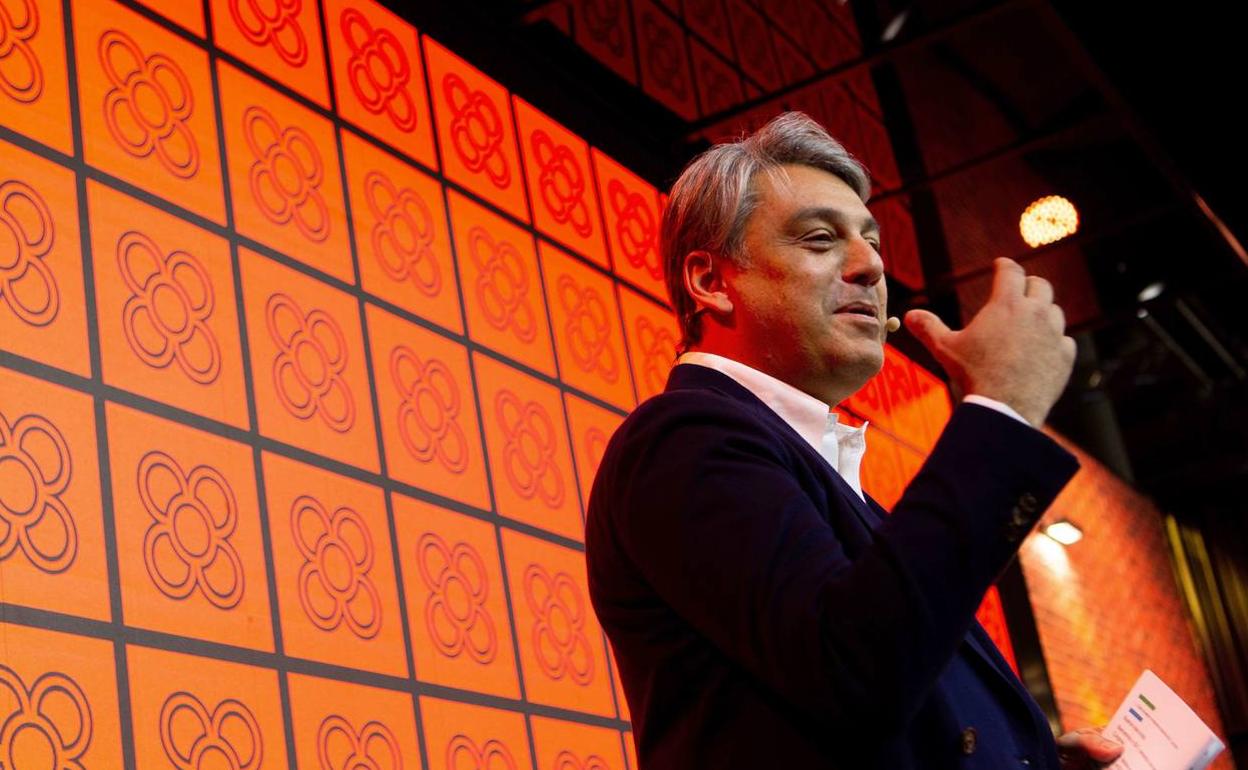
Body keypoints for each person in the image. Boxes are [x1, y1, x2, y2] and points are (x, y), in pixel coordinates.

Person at [584, 112, 1125, 769]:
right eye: (820, 239)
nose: (871, 266)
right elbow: (856, 668)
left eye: (872, 242)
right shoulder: (682, 438)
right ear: (711, 282)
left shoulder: (824, 477)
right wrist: (1003, 408)